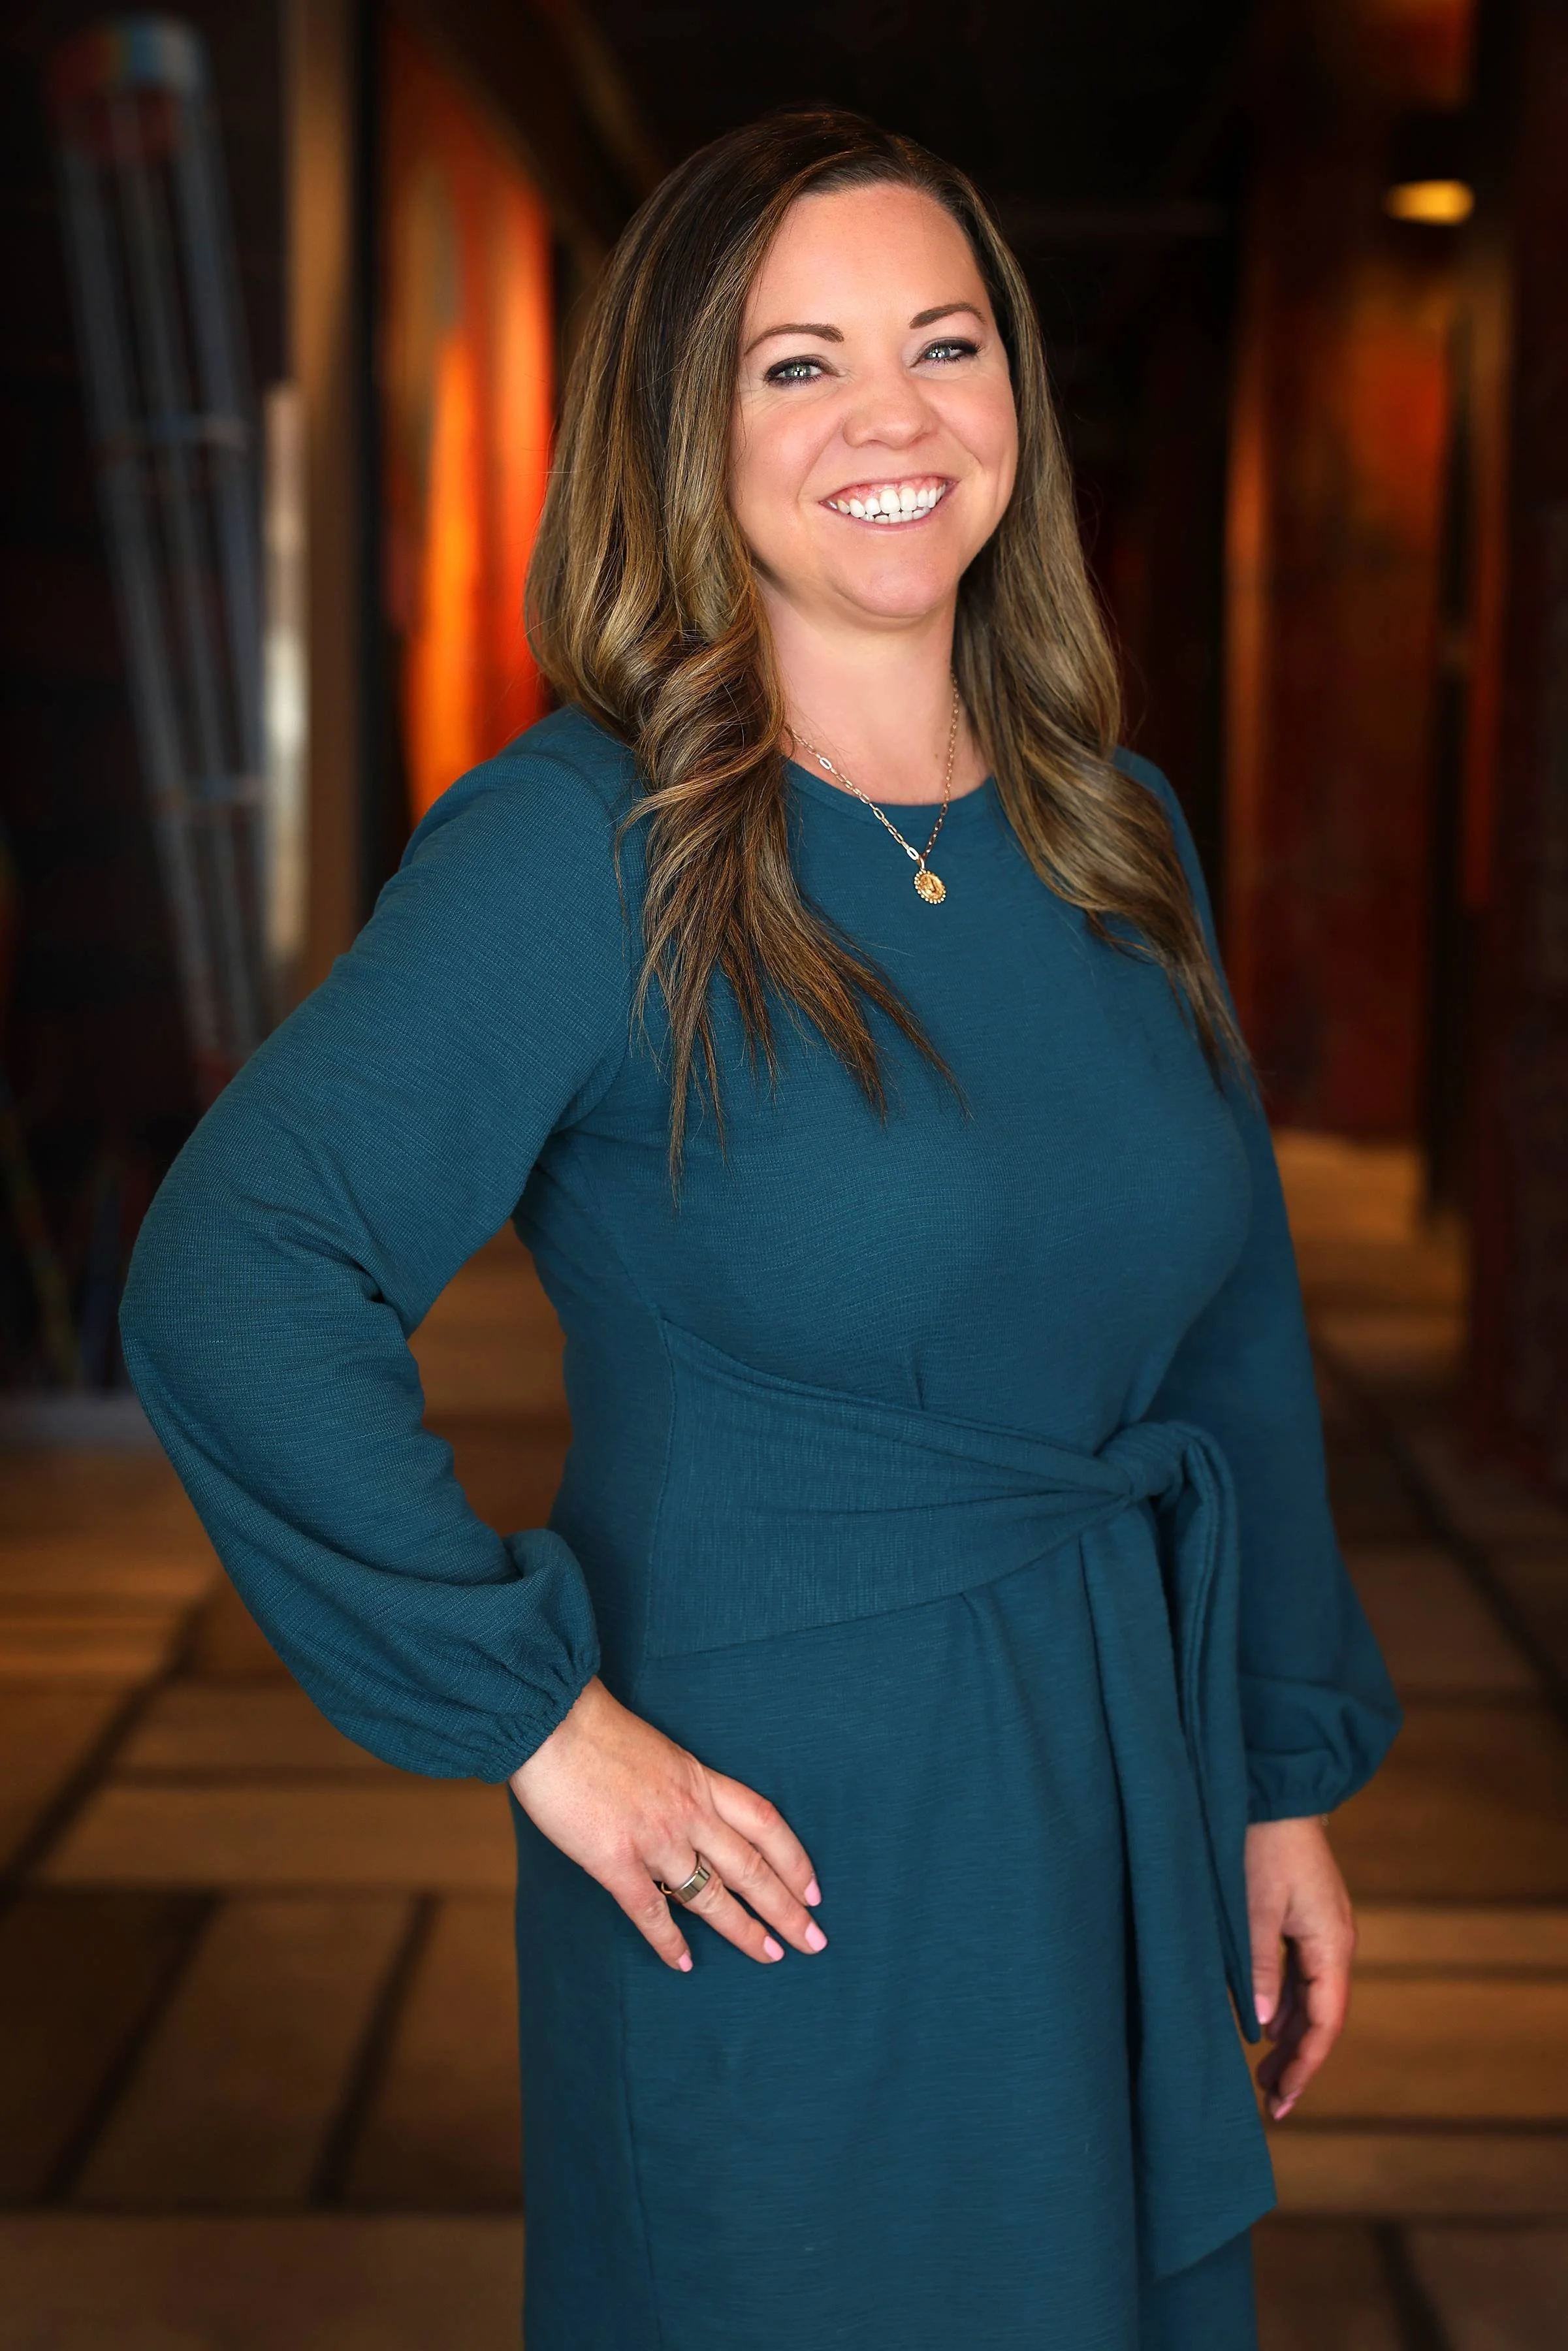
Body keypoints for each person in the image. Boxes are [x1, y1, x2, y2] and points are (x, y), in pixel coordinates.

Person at [121, 108, 1401, 2351]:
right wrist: (536, 1719)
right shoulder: (583, 845)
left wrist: (1276, 1777)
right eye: (796, 365)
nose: (893, 418)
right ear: (680, 432)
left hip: (1115, 1762)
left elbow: (1232, 1337)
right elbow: (240, 1273)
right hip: (781, 1830)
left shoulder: (1118, 830)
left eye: (944, 343)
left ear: (1016, 391)